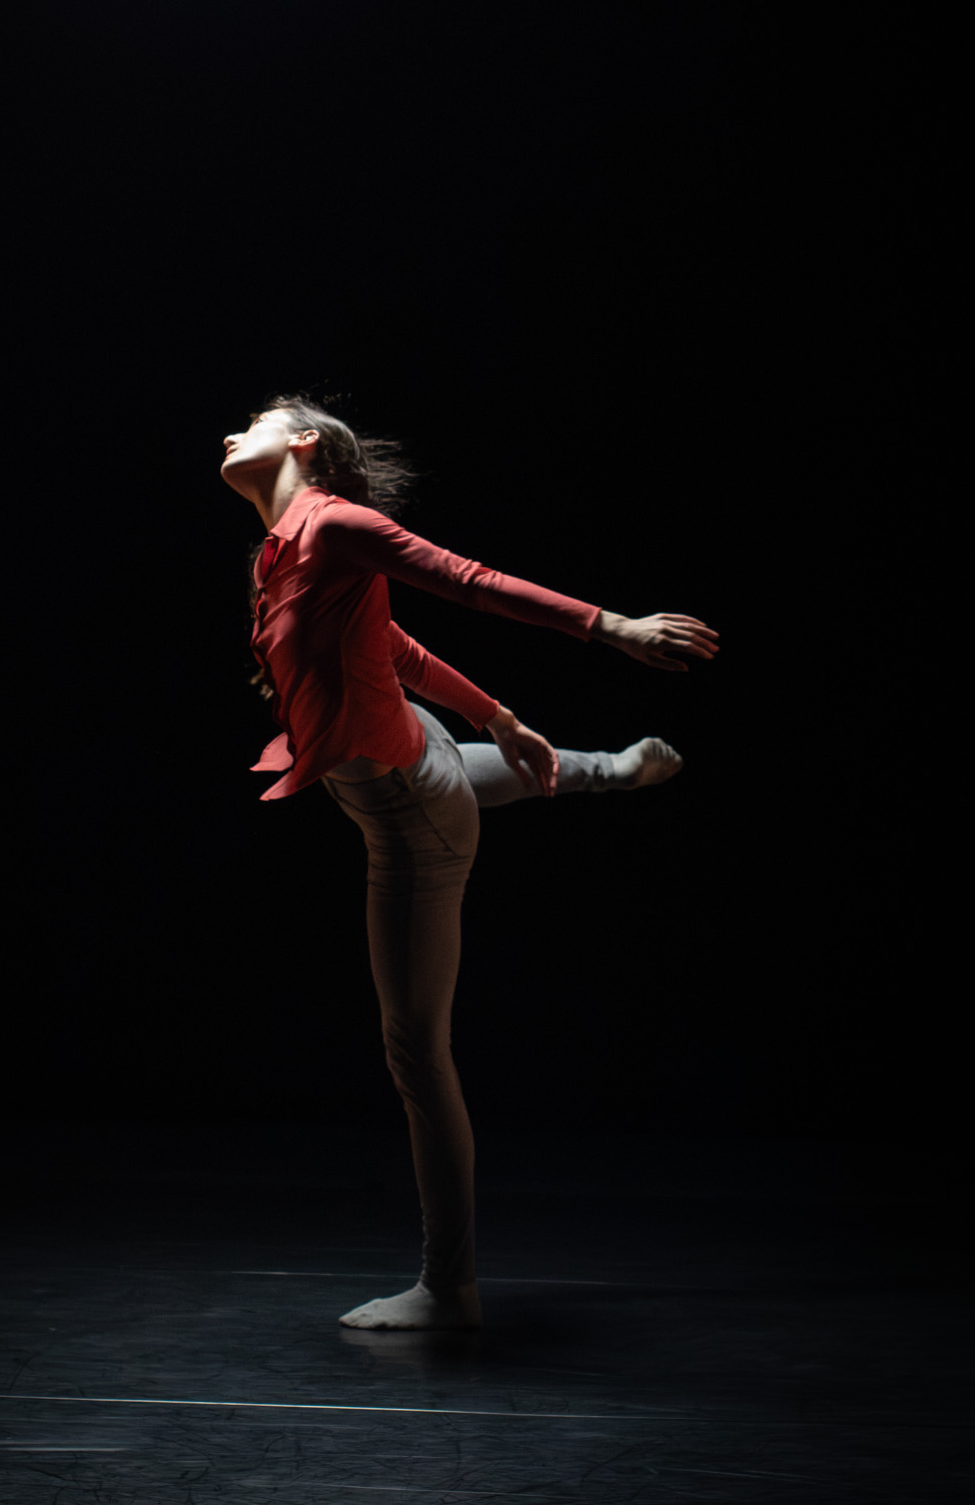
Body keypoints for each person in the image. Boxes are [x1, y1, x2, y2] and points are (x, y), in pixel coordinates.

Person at [220, 395, 718, 1331]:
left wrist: (613, 627)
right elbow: (391, 645)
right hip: (428, 751)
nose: (228, 431)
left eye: (255, 418)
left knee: (417, 1052)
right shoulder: (280, 553)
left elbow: (469, 580)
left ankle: (448, 1288)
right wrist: (499, 716)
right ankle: (605, 768)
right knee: (459, 771)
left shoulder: (336, 524)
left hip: (411, 816)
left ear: (305, 444)